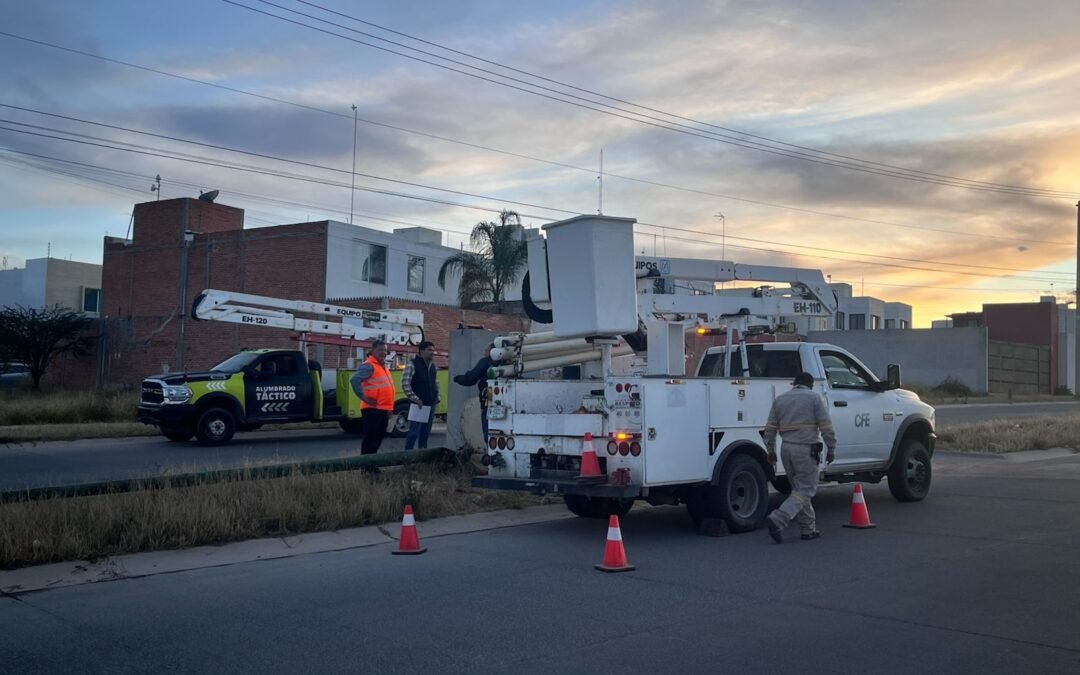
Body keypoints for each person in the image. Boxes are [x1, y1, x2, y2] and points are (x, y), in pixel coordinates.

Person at [763, 371, 837, 544]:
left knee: (798, 490)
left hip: (786, 449)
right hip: (805, 449)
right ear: (810, 384)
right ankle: (779, 518)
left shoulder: (780, 399)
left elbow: (769, 429)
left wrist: (771, 451)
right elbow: (826, 426)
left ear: (794, 383)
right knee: (806, 489)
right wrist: (831, 448)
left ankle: (808, 529)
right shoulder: (814, 398)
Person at [349, 340, 395, 455]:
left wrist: (389, 409)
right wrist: (364, 398)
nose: (383, 352)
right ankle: (366, 463)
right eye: (380, 350)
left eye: (385, 350)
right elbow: (354, 380)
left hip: (382, 409)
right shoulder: (369, 365)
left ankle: (372, 462)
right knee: (370, 439)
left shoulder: (383, 366)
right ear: (373, 350)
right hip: (372, 409)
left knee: (378, 438)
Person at [402, 341, 440, 450]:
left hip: (430, 404)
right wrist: (415, 399)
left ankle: (422, 455)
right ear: (421, 351)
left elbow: (435, 383)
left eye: (433, 350)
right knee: (414, 433)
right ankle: (408, 456)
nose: (432, 352)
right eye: (429, 350)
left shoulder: (432, 366)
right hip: (418, 405)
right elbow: (405, 384)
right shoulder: (412, 364)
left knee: (425, 433)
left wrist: (437, 397)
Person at [453, 343, 495, 436]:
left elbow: (471, 378)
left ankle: (489, 443)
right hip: (505, 397)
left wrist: (458, 378)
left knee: (488, 425)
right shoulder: (508, 363)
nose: (484, 354)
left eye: (486, 351)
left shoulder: (485, 362)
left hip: (489, 394)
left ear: (492, 352)